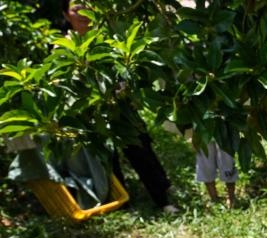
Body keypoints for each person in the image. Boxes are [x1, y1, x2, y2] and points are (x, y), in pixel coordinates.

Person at [61, 2, 179, 214]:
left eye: (85, 5)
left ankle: (163, 200)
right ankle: (122, 203)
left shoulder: (108, 38)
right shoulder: (62, 46)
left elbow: (128, 70)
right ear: (66, 15)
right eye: (75, 8)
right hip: (91, 114)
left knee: (141, 150)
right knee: (107, 158)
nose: (81, 13)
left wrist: (127, 86)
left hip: (121, 107)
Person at [194, 139, 238, 208]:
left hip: (223, 130)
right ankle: (214, 198)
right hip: (203, 133)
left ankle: (231, 198)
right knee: (206, 163)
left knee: (227, 162)